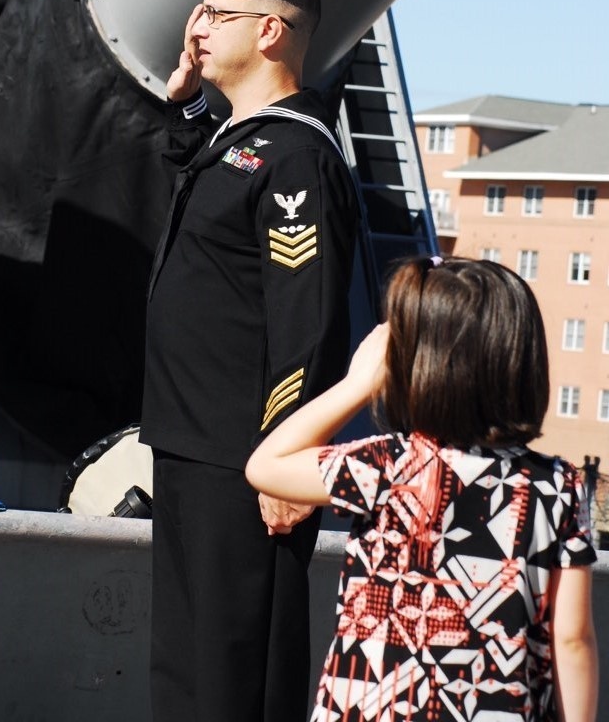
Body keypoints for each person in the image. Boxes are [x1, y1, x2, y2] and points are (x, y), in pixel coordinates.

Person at [140, 0, 359, 722]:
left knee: (235, 665)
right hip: (193, 442)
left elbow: (307, 319)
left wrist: (283, 458)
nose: (196, 30)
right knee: (189, 662)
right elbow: (204, 181)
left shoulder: (296, 154)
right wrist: (190, 105)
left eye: (217, 16)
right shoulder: (244, 142)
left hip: (245, 457)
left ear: (269, 31)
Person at [246, 255, 599, 722]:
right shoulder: (558, 487)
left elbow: (266, 465)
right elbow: (571, 639)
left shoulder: (387, 465)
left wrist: (356, 385)